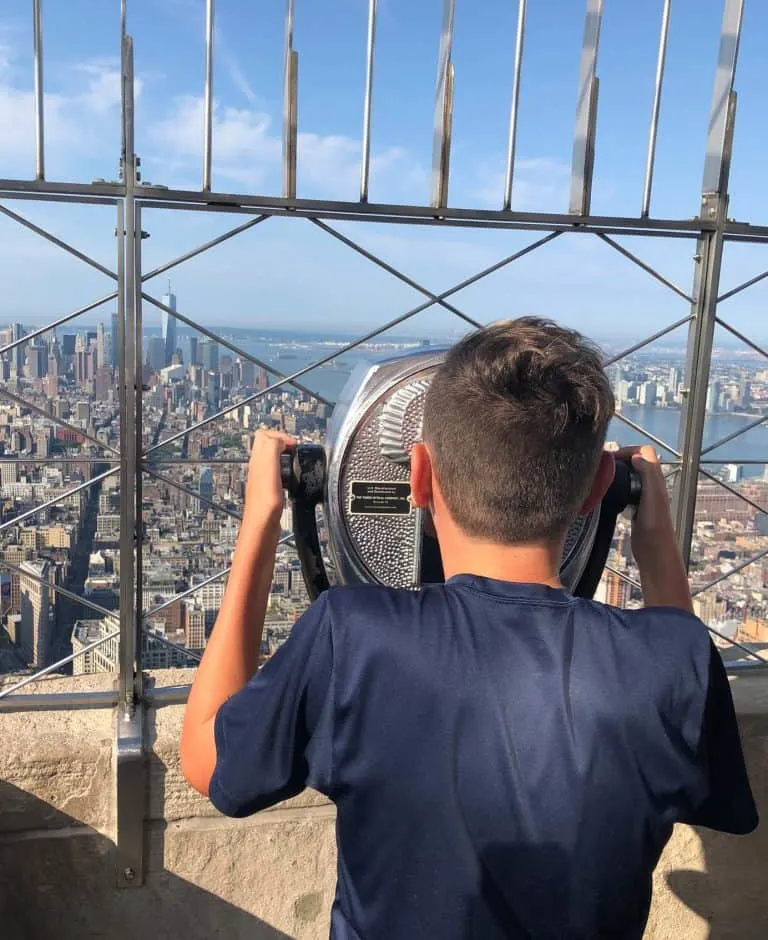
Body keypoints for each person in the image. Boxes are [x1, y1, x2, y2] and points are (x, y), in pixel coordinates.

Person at [180, 317, 758, 940]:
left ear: (419, 478)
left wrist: (260, 526)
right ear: (598, 491)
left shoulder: (354, 638)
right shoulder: (674, 660)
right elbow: (679, 678)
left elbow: (210, 765)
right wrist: (656, 544)